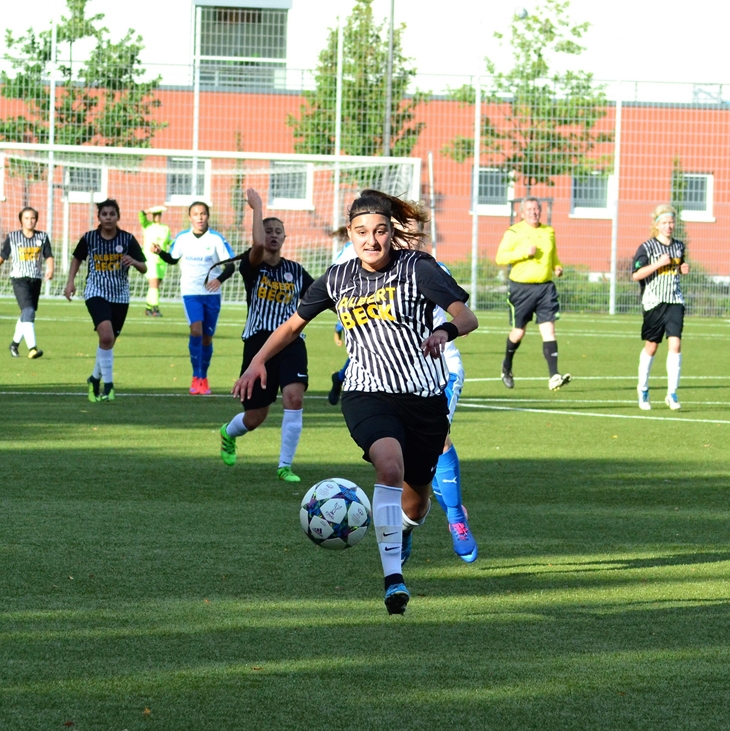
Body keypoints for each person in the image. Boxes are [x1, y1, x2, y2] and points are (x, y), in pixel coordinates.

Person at [232, 189, 479, 615]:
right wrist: (257, 361)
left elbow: (467, 316)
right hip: (367, 393)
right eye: (362, 232)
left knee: (416, 504)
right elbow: (292, 326)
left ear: (391, 232)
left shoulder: (417, 268)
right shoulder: (337, 278)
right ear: (350, 233)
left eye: (380, 231)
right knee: (389, 467)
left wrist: (445, 331)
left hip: (423, 398)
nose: (371, 240)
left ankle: (403, 530)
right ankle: (393, 579)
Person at [219, 189, 314, 483]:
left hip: (291, 342)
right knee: (255, 417)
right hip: (258, 344)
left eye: (278, 231)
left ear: (285, 238)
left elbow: (319, 298)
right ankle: (228, 433)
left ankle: (285, 466)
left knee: (294, 398)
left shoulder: (296, 271)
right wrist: (257, 208)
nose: (272, 235)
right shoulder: (253, 266)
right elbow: (257, 244)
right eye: (268, 230)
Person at [64, 199, 147, 402]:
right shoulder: (89, 238)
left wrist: (134, 261)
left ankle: (94, 378)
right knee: (107, 336)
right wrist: (70, 282)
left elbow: (144, 267)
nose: (108, 217)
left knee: (107, 342)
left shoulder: (127, 239)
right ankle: (109, 386)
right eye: (104, 214)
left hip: (120, 295)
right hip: (96, 292)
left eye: (112, 214)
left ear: (118, 217)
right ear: (99, 217)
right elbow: (77, 258)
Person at [153, 201, 235, 395]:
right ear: (190, 217)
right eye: (196, 214)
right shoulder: (182, 238)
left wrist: (219, 280)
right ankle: (195, 376)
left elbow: (231, 265)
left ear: (208, 216)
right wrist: (160, 252)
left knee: (207, 337)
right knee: (196, 330)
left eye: (203, 213)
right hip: (190, 292)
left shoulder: (216, 239)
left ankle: (203, 377)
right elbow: (173, 258)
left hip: (212, 295)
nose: (200, 217)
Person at [495, 197, 571, 391]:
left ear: (541, 211)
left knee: (549, 330)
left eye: (536, 209)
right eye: (529, 209)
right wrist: (523, 252)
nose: (533, 212)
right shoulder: (514, 232)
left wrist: (556, 266)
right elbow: (500, 258)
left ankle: (554, 376)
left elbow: (553, 254)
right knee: (519, 332)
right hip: (521, 289)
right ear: (522, 213)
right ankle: (506, 366)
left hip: (545, 288)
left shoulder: (548, 231)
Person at [632, 204, 690, 411]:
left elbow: (678, 267)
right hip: (653, 302)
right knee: (652, 346)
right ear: (656, 225)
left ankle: (672, 393)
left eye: (671, 222)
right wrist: (658, 264)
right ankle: (643, 389)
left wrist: (682, 269)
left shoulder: (679, 246)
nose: (668, 226)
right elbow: (636, 275)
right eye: (664, 222)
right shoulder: (647, 247)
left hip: (675, 301)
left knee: (675, 344)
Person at [1, 207, 54, 359]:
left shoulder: (42, 237)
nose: (30, 221)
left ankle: (14, 345)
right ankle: (32, 348)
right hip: (19, 279)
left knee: (26, 313)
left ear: (36, 220)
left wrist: (50, 269)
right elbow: (3, 255)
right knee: (29, 311)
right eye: (26, 218)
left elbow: (48, 255)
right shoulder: (13, 237)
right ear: (21, 220)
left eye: (32, 218)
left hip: (35, 279)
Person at [326, 226, 357, 406]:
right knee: (364, 354)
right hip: (360, 309)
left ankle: (339, 378)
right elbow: (332, 277)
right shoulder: (351, 250)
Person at [138, 205, 172, 317]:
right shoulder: (147, 225)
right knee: (154, 284)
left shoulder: (165, 228)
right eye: (155, 214)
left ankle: (148, 308)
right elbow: (141, 214)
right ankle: (155, 309)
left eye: (159, 214)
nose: (157, 216)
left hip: (161, 261)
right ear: (152, 215)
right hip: (150, 259)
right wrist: (151, 209)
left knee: (155, 286)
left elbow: (170, 241)